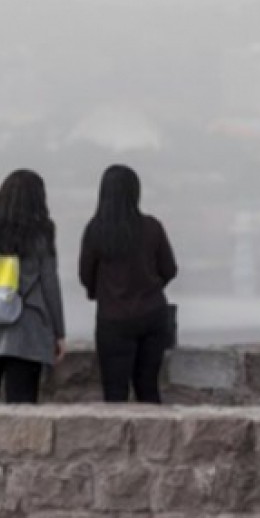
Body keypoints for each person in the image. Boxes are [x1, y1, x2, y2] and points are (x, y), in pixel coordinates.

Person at [0, 169, 66, 403]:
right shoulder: (42, 235)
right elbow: (50, 285)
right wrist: (58, 332)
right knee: (22, 408)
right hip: (27, 332)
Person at [79, 164, 178, 403]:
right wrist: (151, 287)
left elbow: (85, 274)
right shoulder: (151, 227)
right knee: (148, 388)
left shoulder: (96, 230)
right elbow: (170, 269)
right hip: (152, 314)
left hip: (113, 319)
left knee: (115, 392)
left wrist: (100, 293)